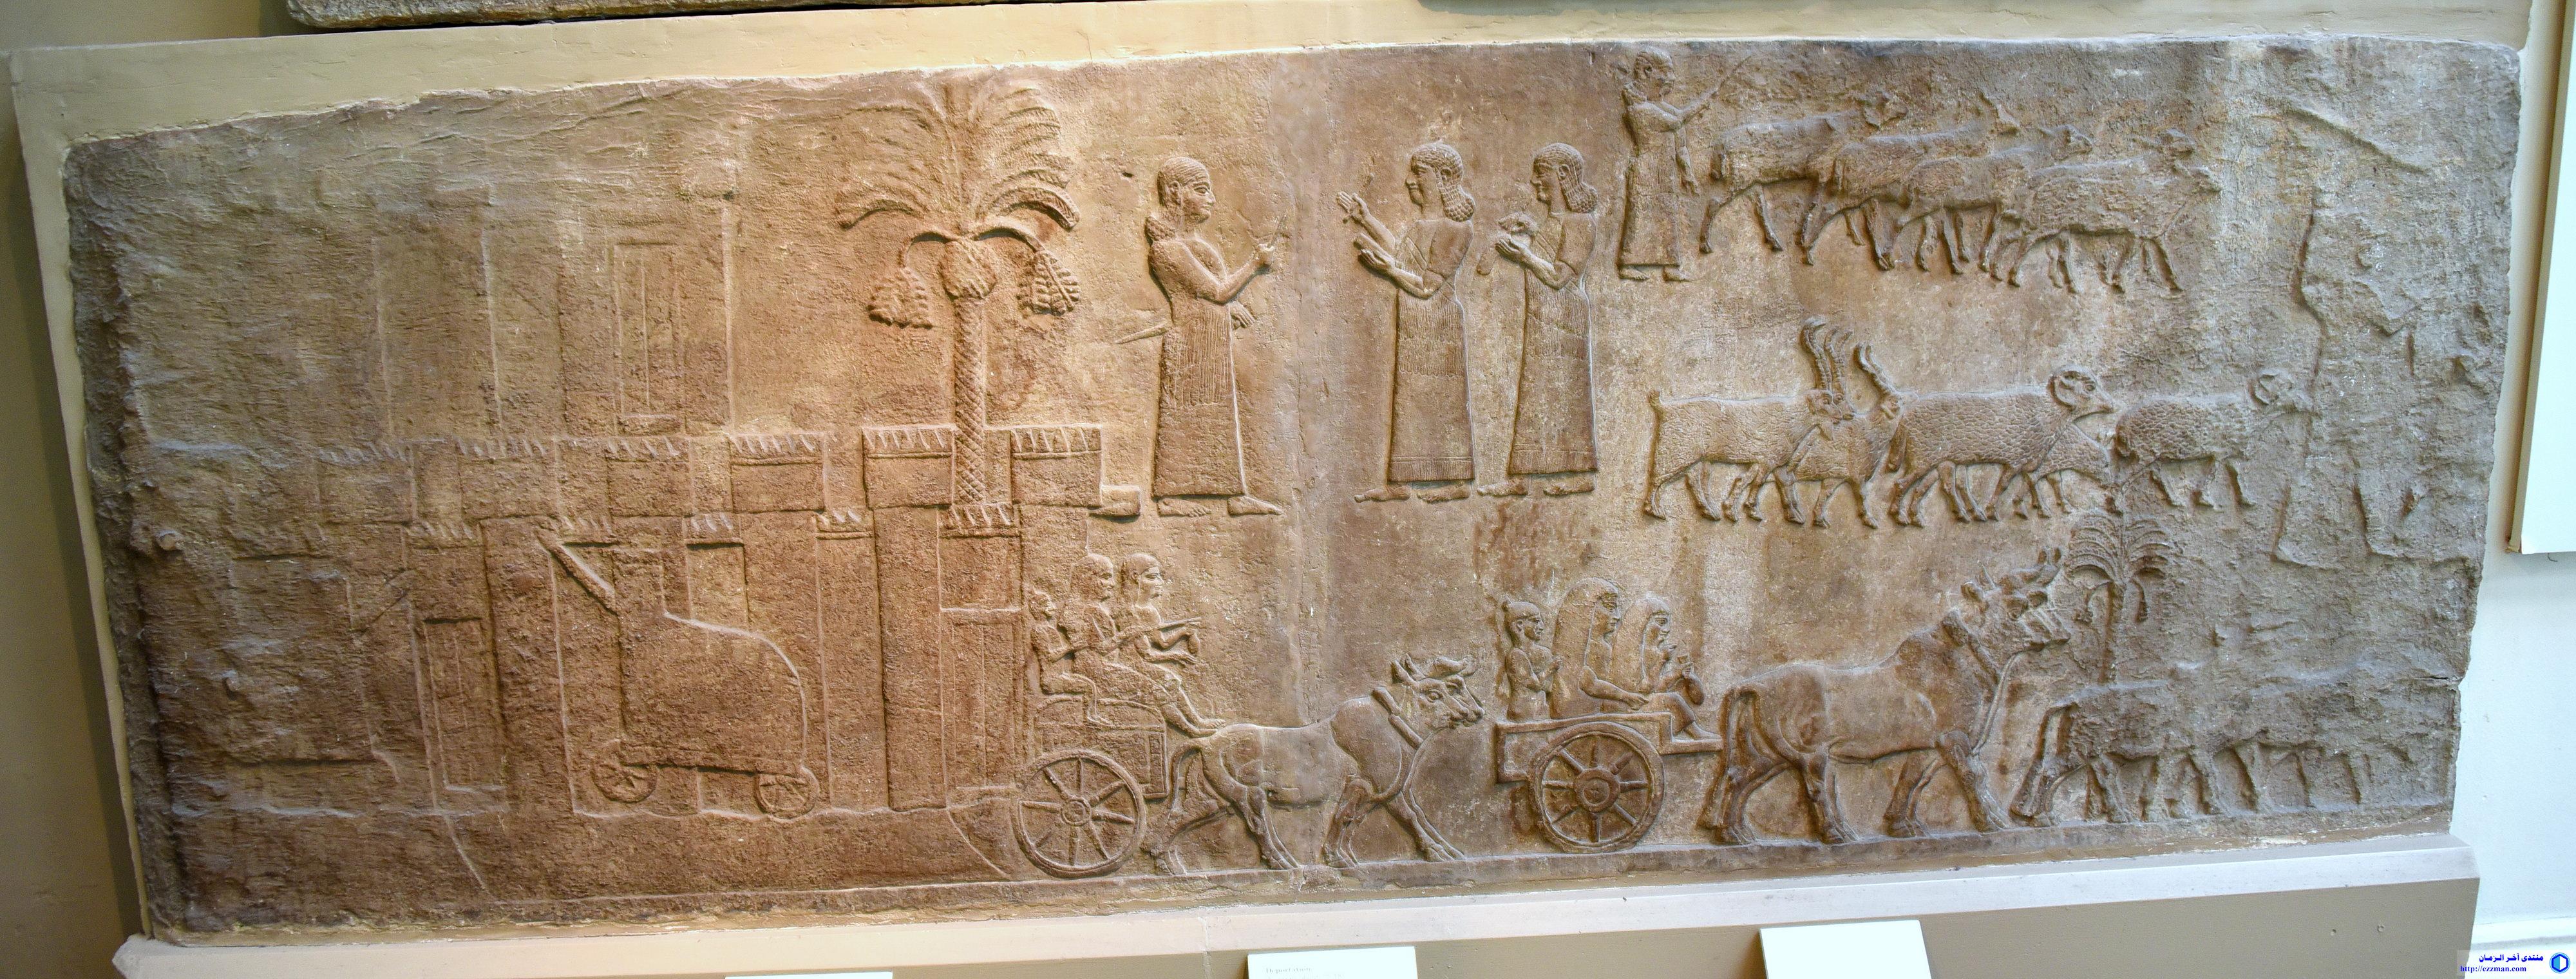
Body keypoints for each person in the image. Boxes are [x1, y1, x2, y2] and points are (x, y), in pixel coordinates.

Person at [1145, 156, 1283, 518]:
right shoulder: (1168, 249)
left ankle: (1234, 494)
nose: (1212, 199)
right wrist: (1254, 265)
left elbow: (1213, 295)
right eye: (1202, 190)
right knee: (1184, 414)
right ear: (1176, 192)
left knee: (1221, 413)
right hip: (1191, 343)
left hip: (1211, 339)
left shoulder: (1194, 245)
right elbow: (1218, 292)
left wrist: (1230, 307)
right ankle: (1171, 497)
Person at [1340, 142, 1478, 502]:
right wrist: (1367, 220)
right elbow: (1404, 257)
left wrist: (1388, 270)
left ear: (1443, 177)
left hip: (1438, 323)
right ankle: (1401, 483)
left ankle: (1455, 481)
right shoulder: (1421, 225)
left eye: (1419, 173)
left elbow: (1428, 285)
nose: (1409, 181)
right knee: (1410, 398)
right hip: (1415, 322)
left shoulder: (1456, 229)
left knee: (1443, 401)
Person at [1486, 143, 1601, 497]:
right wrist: (1534, 231)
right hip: (1542, 315)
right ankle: (1524, 475)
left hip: (1565, 318)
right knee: (1536, 390)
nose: (1535, 181)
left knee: (1567, 392)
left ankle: (1579, 473)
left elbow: (1559, 275)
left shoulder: (1581, 222)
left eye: (1541, 174)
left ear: (1563, 175)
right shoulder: (1556, 220)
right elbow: (1552, 248)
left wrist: (1524, 255)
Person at [1061, 553, 1219, 736]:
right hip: (1096, 670)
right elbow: (1102, 649)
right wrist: (1126, 635)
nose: (1112, 584)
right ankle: (1191, 730)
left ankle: (1196, 722)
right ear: (1088, 580)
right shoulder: (1082, 611)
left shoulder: (1096, 610)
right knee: (1158, 691)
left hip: (1106, 666)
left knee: (1168, 681)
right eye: (1105, 578)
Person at [1617, 51, 1721, 281]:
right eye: (1666, 73)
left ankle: (1671, 266)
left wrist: (1688, 173)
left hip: (1664, 171)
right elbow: (1678, 120)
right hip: (1646, 169)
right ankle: (1628, 263)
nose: (1670, 79)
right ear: (1647, 72)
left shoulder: (1659, 108)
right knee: (1640, 216)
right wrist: (1704, 101)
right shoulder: (1641, 111)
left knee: (1667, 215)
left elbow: (1680, 141)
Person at [1627, 596, 1715, 739]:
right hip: (1632, 705)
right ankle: (1695, 732)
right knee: (1673, 699)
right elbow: (1644, 690)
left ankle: (1695, 732)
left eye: (1667, 624)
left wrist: (1687, 677)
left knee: (1676, 694)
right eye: (1661, 623)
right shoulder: (1634, 653)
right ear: (1643, 623)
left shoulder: (1657, 651)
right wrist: (1663, 661)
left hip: (1645, 701)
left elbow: (1698, 699)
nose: (1667, 630)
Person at [1497, 599, 1558, 721]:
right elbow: (1536, 685)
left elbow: (1548, 687)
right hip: (1524, 713)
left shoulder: (1540, 653)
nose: (1542, 627)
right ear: (1519, 625)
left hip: (1538, 711)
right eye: (1536, 621)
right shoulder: (1516, 655)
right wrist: (1551, 668)